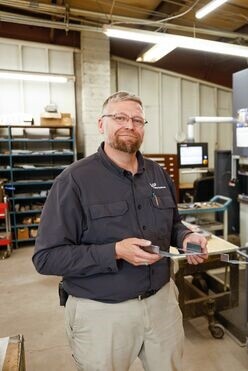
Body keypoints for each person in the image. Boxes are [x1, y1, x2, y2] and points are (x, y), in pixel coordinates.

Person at [33, 91, 208, 371]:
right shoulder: (74, 180)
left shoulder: (158, 174)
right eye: (120, 117)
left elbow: (173, 222)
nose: (130, 124)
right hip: (102, 312)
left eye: (137, 119)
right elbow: (46, 258)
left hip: (162, 304)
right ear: (102, 124)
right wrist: (114, 251)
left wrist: (186, 237)